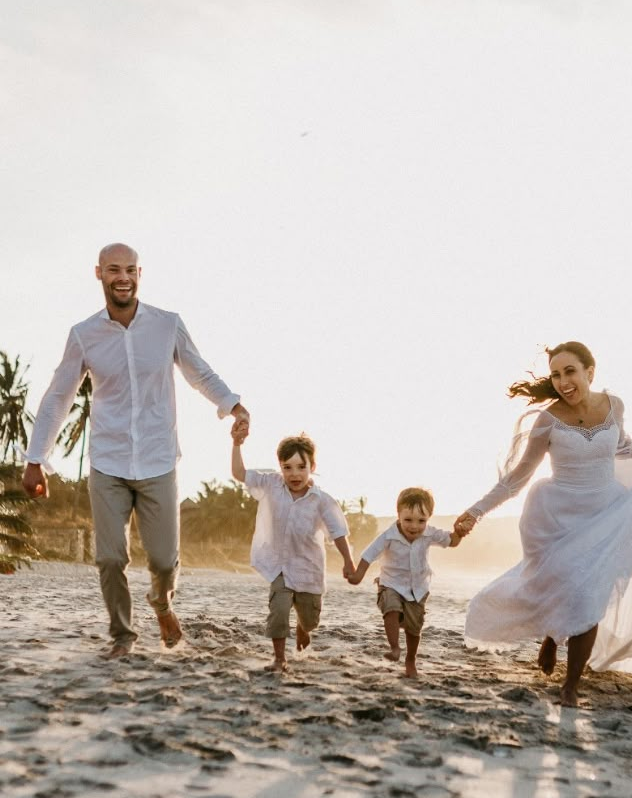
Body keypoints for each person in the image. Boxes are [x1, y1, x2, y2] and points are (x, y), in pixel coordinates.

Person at [22, 243, 249, 658]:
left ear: (140, 274)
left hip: (159, 459)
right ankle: (122, 636)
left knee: (163, 561)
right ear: (99, 274)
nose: (122, 277)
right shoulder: (83, 335)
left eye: (129, 269)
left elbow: (199, 371)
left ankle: (161, 601)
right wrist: (37, 459)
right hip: (108, 462)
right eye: (113, 269)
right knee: (110, 559)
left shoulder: (167, 325)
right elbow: (58, 397)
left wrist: (232, 404)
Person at [454, 342, 632, 706]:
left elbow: (623, 447)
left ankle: (570, 684)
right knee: (569, 585)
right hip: (557, 516)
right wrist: (475, 511)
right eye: (555, 374)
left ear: (590, 371)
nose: (562, 381)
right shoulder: (547, 421)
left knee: (589, 595)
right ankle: (551, 637)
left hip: (606, 513)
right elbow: (517, 478)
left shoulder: (613, 405)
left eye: (569, 371)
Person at [231, 427, 354, 672]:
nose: (294, 474)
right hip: (279, 566)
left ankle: (302, 627)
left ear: (312, 467)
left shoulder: (323, 500)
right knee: (278, 611)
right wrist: (236, 444)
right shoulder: (271, 484)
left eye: (301, 467)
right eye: (287, 467)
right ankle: (279, 659)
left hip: (309, 569)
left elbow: (339, 532)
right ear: (280, 467)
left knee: (310, 619)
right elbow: (239, 473)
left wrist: (348, 562)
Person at [347, 487, 462, 678]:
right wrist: (358, 575)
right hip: (390, 583)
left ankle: (410, 660)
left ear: (429, 518)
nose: (414, 526)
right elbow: (369, 554)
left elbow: (452, 541)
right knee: (391, 608)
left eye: (421, 521)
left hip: (418, 588)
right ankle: (394, 648)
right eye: (408, 520)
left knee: (414, 628)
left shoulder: (430, 533)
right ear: (398, 515)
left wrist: (460, 532)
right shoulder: (388, 536)